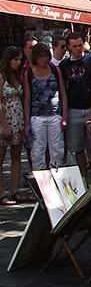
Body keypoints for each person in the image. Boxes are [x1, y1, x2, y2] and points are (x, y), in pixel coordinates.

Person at [59, 32, 91, 184]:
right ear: (69, 47)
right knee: (77, 146)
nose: (78, 49)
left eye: (80, 45)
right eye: (75, 46)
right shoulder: (64, 65)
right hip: (74, 108)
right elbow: (63, 89)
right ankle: (83, 178)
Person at [23, 44, 67, 172]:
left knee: (57, 149)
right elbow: (27, 99)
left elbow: (63, 94)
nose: (44, 59)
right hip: (37, 116)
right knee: (37, 151)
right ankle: (40, 181)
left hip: (55, 115)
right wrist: (27, 123)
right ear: (35, 57)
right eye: (41, 56)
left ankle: (57, 177)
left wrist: (64, 117)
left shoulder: (55, 71)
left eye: (46, 56)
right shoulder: (29, 74)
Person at [0, 47, 29, 204]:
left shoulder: (18, 76)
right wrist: (4, 126)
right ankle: (1, 193)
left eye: (20, 60)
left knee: (16, 156)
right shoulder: (1, 76)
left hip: (17, 119)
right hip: (4, 120)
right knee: (1, 157)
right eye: (15, 59)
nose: (18, 63)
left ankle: (15, 190)